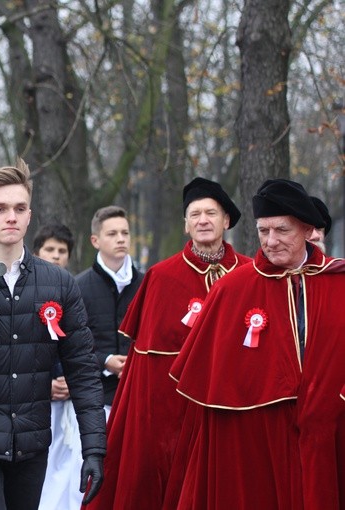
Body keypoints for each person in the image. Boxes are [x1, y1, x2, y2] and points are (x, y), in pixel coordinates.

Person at [0, 159, 105, 510]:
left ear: (29, 216)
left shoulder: (58, 282)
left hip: (30, 444)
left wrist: (94, 448)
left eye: (19, 208)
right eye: (0, 208)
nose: (11, 216)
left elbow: (82, 370)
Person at [170, 178, 345, 508]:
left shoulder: (338, 281)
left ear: (307, 230)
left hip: (331, 432)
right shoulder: (232, 289)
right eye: (264, 231)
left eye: (282, 231)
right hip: (256, 440)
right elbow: (214, 384)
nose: (271, 241)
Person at [86, 177, 251, 510]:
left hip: (233, 410)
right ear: (186, 226)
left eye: (211, 213)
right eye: (195, 214)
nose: (203, 220)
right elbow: (144, 367)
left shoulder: (249, 273)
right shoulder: (161, 277)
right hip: (171, 422)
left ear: (226, 221)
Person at [30, 223, 86, 510]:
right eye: (49, 250)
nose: (56, 256)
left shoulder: (74, 292)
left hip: (69, 397)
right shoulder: (26, 293)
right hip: (36, 399)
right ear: (37, 252)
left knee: (71, 469)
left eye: (62, 251)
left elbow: (79, 347)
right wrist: (45, 384)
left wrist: (70, 382)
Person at [76, 206, 143, 418]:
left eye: (125, 233)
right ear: (95, 241)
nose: (121, 239)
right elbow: (73, 343)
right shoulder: (78, 286)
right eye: (112, 234)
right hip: (96, 399)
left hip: (139, 393)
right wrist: (105, 360)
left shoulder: (147, 283)